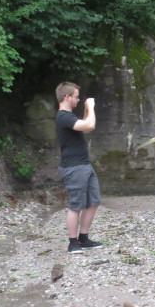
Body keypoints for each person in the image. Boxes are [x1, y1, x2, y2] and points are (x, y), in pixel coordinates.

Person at [55, 82, 104, 254]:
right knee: (76, 205)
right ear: (67, 97)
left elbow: (84, 125)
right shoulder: (63, 117)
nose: (78, 99)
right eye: (76, 96)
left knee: (93, 202)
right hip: (74, 167)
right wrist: (91, 106)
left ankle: (83, 238)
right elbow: (90, 125)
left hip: (84, 165)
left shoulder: (69, 117)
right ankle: (72, 243)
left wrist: (87, 109)